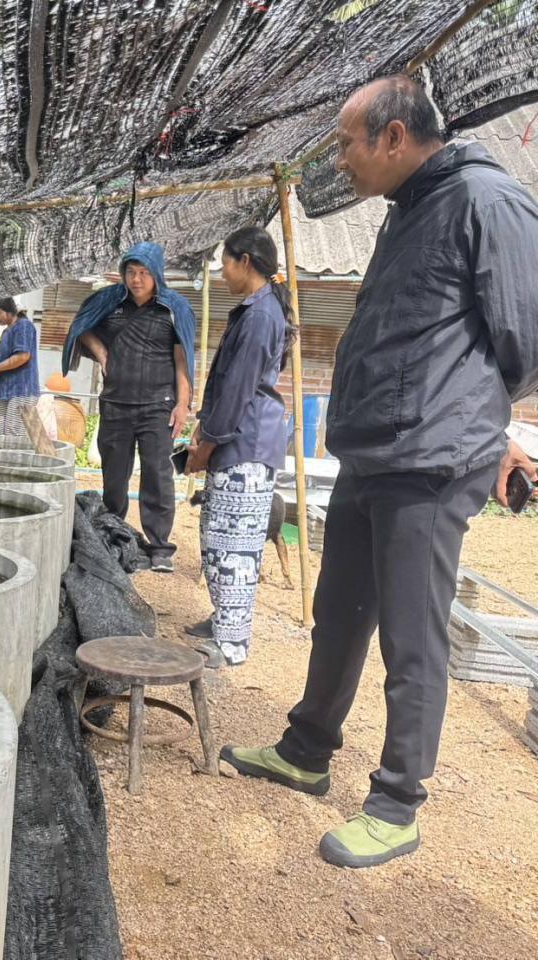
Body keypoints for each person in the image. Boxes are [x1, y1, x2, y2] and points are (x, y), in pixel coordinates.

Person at [221, 76, 538, 869]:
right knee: (341, 612)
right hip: (374, 452)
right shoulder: (411, 209)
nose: (339, 158)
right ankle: (306, 749)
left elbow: (525, 341)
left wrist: (482, 426)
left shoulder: (485, 202)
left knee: (411, 635)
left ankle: (397, 805)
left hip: (431, 460)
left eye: (345, 142)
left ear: (393, 136)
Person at [183, 226, 293, 668]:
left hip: (245, 445)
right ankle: (223, 622)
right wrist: (203, 432)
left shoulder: (262, 315)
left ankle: (231, 644)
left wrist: (207, 444)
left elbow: (237, 392)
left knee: (236, 548)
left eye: (225, 263)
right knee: (219, 538)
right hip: (238, 442)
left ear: (245, 261)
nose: (222, 273)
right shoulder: (255, 311)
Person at [62, 242, 196, 572]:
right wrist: (103, 354)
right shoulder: (109, 302)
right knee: (114, 477)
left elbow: (184, 359)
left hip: (157, 406)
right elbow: (82, 328)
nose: (136, 279)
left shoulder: (172, 308)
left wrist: (183, 404)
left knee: (158, 474)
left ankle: (160, 547)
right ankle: (114, 535)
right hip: (116, 405)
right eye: (131, 272)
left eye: (144, 273)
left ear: (157, 275)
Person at [0, 297, 40, 436]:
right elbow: (6, 362)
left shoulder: (23, 326)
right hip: (6, 391)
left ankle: (19, 458)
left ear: (9, 310)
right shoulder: (6, 332)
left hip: (22, 389)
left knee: (14, 433)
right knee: (1, 432)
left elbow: (23, 356)